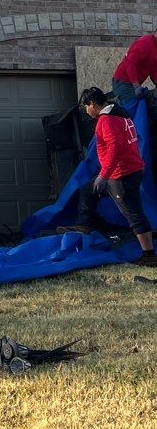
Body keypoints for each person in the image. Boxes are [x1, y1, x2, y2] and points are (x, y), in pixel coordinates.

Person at [77, 87, 156, 265]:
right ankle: (87, 225)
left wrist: (104, 175)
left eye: (85, 107)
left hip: (120, 174)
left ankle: (149, 255)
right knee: (88, 191)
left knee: (133, 214)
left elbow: (115, 147)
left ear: (92, 103)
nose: (86, 111)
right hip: (131, 169)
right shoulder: (122, 113)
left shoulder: (106, 120)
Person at [111, 32, 157, 113]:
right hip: (123, 82)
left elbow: (153, 70)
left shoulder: (155, 48)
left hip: (132, 84)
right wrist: (136, 85)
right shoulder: (145, 43)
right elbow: (130, 63)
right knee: (132, 113)